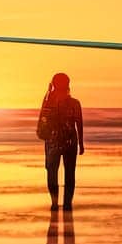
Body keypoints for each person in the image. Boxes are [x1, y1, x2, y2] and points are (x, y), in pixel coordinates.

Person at [36, 72, 84, 210]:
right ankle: (67, 204)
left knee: (52, 172)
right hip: (70, 141)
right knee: (70, 173)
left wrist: (48, 93)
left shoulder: (48, 101)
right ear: (68, 85)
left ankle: (54, 203)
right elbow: (79, 124)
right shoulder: (75, 103)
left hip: (53, 141)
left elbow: (42, 120)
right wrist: (81, 143)